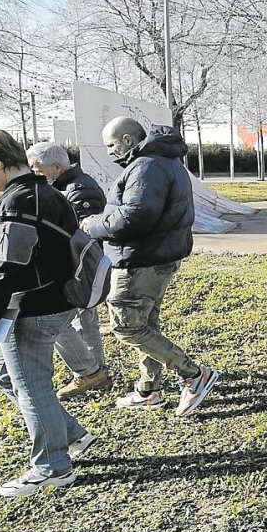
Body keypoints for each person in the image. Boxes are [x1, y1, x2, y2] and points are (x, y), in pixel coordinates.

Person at [82, 117, 219, 416]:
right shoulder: (165, 161)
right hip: (155, 257)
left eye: (111, 145)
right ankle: (148, 390)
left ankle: (194, 374)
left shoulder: (147, 166)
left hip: (140, 260)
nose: (109, 152)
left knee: (127, 326)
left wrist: (93, 224)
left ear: (128, 139)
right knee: (145, 325)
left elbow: (135, 217)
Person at [0, 130, 99, 497]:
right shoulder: (46, 192)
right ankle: (71, 434)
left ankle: (52, 467)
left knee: (31, 386)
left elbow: (8, 267)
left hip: (31, 308)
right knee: (4, 375)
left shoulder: (18, 201)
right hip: (55, 300)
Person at [25, 142, 113, 398]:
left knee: (81, 322)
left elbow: (83, 236)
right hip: (72, 269)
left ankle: (94, 373)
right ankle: (93, 372)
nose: (34, 173)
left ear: (56, 167)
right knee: (77, 321)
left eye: (37, 168)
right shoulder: (65, 185)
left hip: (80, 270)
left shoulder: (79, 190)